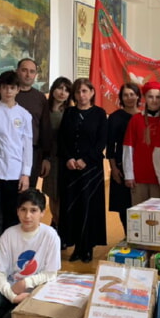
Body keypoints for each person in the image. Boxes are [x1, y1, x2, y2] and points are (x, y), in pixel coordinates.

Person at [0, 189, 61, 318]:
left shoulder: (50, 236)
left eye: (33, 210)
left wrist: (26, 283)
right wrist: (12, 296)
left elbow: (51, 274)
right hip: (9, 286)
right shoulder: (9, 234)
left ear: (42, 212)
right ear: (17, 211)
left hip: (35, 289)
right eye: (23, 210)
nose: (27, 216)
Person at [57, 78, 108, 262]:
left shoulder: (99, 113)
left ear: (92, 92)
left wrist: (86, 159)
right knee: (72, 207)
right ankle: (76, 247)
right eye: (78, 92)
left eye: (85, 91)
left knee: (89, 206)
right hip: (70, 169)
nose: (81, 95)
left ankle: (87, 247)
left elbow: (101, 141)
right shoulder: (69, 112)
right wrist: (69, 158)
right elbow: (62, 139)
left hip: (91, 168)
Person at [0, 58, 52, 189]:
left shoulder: (40, 98)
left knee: (27, 192)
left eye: (32, 71)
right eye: (24, 70)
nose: (28, 74)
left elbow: (45, 128)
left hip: (31, 152)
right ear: (17, 71)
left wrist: (46, 157)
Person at [0, 71, 32, 232]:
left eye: (12, 88)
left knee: (13, 215)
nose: (8, 91)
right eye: (4, 87)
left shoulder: (24, 115)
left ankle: (11, 245)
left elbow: (27, 146)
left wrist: (26, 174)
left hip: (16, 172)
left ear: (18, 89)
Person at [123, 81, 160, 204]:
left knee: (159, 211)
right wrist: (129, 174)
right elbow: (128, 147)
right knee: (139, 211)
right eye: (150, 97)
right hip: (139, 176)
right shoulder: (136, 119)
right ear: (144, 98)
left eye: (158, 97)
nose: (154, 100)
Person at [106, 82, 140, 235]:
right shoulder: (115, 118)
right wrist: (113, 168)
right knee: (123, 204)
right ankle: (128, 235)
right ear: (121, 98)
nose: (129, 98)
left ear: (138, 96)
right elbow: (110, 145)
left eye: (132, 94)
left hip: (140, 166)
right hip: (120, 166)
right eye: (125, 95)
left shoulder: (143, 116)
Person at [42, 76, 72, 230]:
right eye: (60, 88)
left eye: (66, 90)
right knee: (52, 193)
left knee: (63, 194)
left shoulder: (70, 112)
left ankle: (62, 226)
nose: (62, 92)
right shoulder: (44, 110)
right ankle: (56, 222)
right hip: (49, 158)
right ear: (53, 89)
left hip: (65, 158)